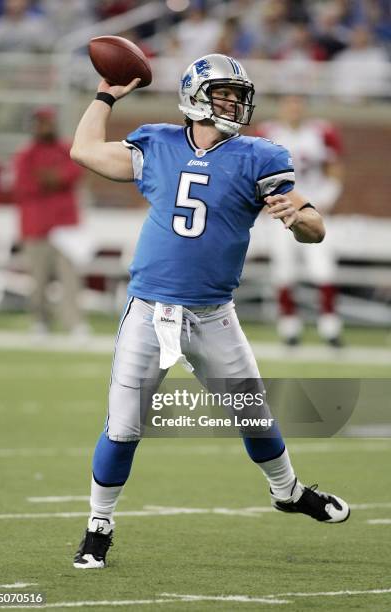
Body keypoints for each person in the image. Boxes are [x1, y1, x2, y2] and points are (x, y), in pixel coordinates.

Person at [70, 54, 350, 569]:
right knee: (124, 426)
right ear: (196, 95)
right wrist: (105, 95)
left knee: (254, 415)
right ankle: (98, 526)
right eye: (224, 94)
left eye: (238, 95)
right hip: (151, 308)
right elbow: (84, 149)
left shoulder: (259, 155)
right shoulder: (157, 142)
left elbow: (315, 226)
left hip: (214, 312)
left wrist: (299, 217)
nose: (234, 103)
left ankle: (287, 491)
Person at [256, 95, 345, 346]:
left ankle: (330, 327)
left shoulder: (320, 131)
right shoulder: (268, 132)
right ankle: (289, 327)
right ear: (282, 108)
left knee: (324, 268)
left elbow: (335, 167)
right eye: (289, 104)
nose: (294, 109)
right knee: (283, 270)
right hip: (281, 211)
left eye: (298, 104)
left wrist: (328, 198)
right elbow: (255, 172)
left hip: (313, 209)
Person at [14, 107, 86, 336]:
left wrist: (48, 177)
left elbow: (74, 174)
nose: (44, 127)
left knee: (70, 279)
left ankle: (74, 323)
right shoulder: (25, 155)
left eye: (47, 122)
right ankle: (41, 322)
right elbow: (25, 186)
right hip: (36, 227)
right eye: (40, 123)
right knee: (38, 280)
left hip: (66, 227)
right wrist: (52, 178)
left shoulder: (66, 150)